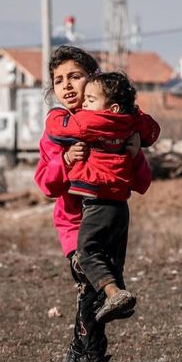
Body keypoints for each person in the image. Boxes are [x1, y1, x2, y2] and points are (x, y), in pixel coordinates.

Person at [33, 46, 156, 362]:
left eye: (75, 76)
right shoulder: (57, 132)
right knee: (92, 287)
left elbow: (141, 181)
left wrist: (133, 152)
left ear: (94, 79)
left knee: (97, 295)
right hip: (74, 224)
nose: (67, 86)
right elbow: (45, 185)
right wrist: (66, 161)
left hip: (110, 218)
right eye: (58, 80)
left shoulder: (117, 126)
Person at [44, 71, 159, 323]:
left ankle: (115, 295)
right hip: (119, 208)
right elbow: (152, 130)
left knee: (87, 255)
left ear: (112, 107)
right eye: (59, 81)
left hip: (97, 204)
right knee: (113, 263)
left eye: (90, 98)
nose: (83, 103)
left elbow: (58, 128)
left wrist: (55, 114)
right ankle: (121, 299)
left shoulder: (89, 121)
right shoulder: (129, 124)